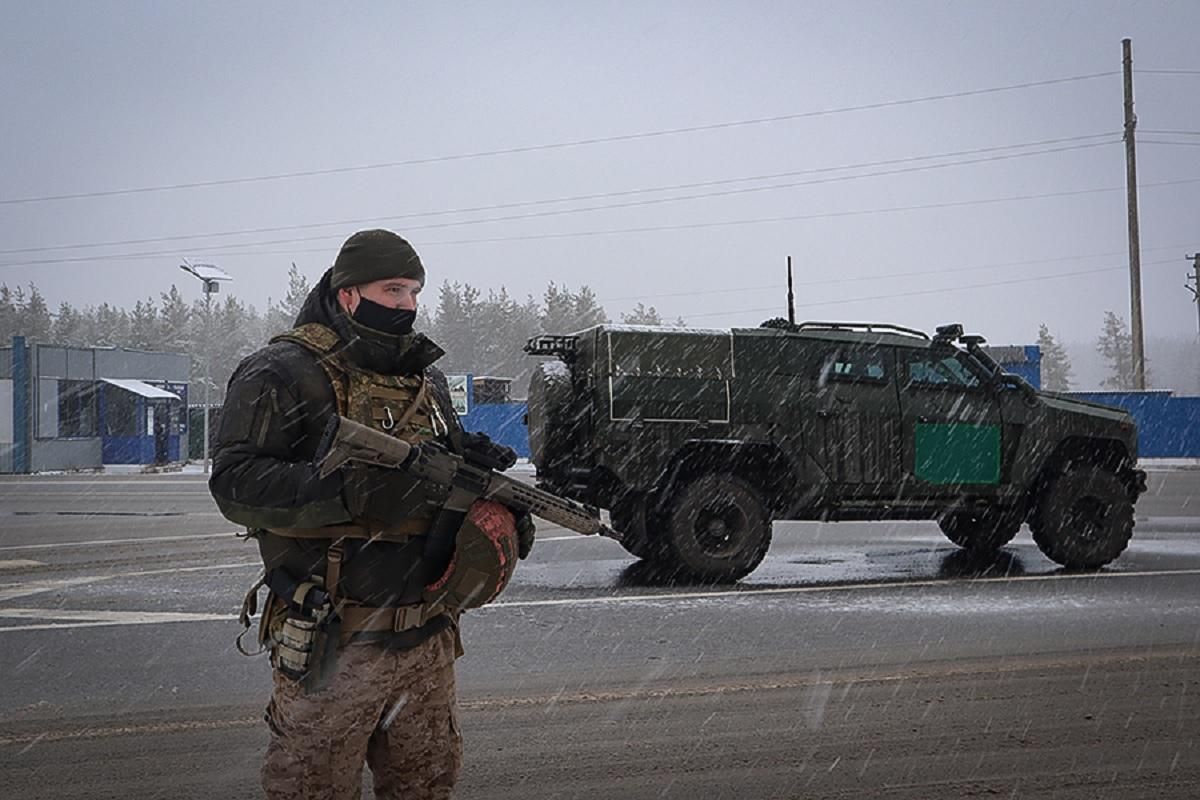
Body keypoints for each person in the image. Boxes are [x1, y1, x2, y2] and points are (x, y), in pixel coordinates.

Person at [209, 229, 533, 799]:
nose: (407, 304)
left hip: (428, 639)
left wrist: (492, 505)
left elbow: (437, 477)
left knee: (426, 788)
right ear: (349, 293)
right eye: (393, 289)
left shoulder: (423, 378)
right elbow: (235, 484)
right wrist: (352, 493)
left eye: (414, 290)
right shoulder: (282, 372)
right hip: (335, 643)